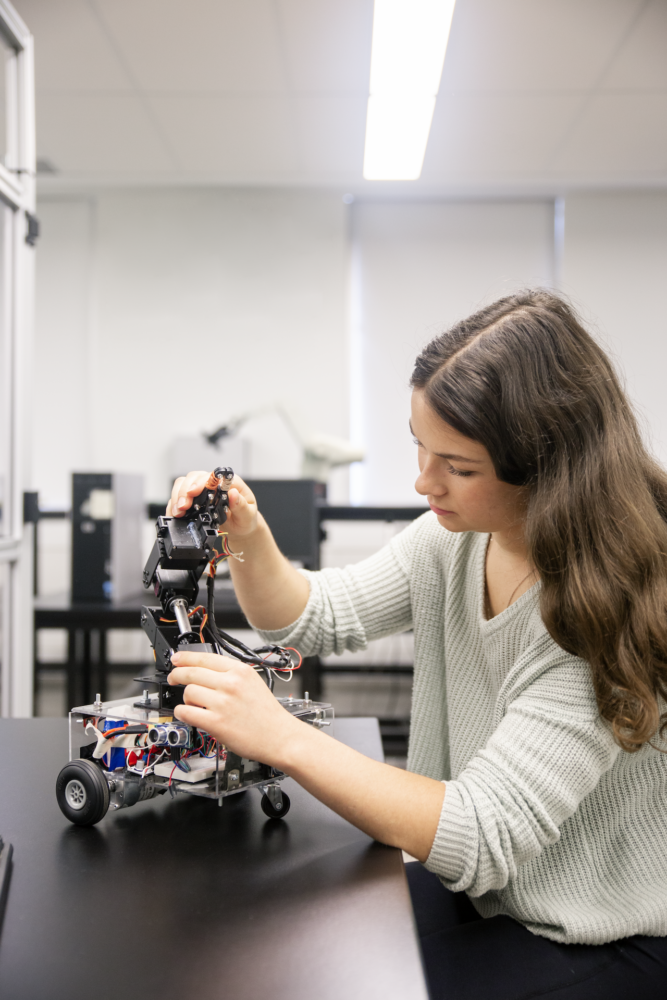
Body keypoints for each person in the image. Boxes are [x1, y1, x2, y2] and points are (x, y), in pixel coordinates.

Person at [167, 290, 667, 999]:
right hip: (492, 892)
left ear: (547, 466)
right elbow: (312, 617)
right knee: (277, 951)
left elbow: (482, 832)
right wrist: (248, 538)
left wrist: (279, 735)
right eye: (418, 446)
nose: (422, 481)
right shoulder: (454, 542)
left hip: (602, 933)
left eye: (457, 466)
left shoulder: (604, 605)